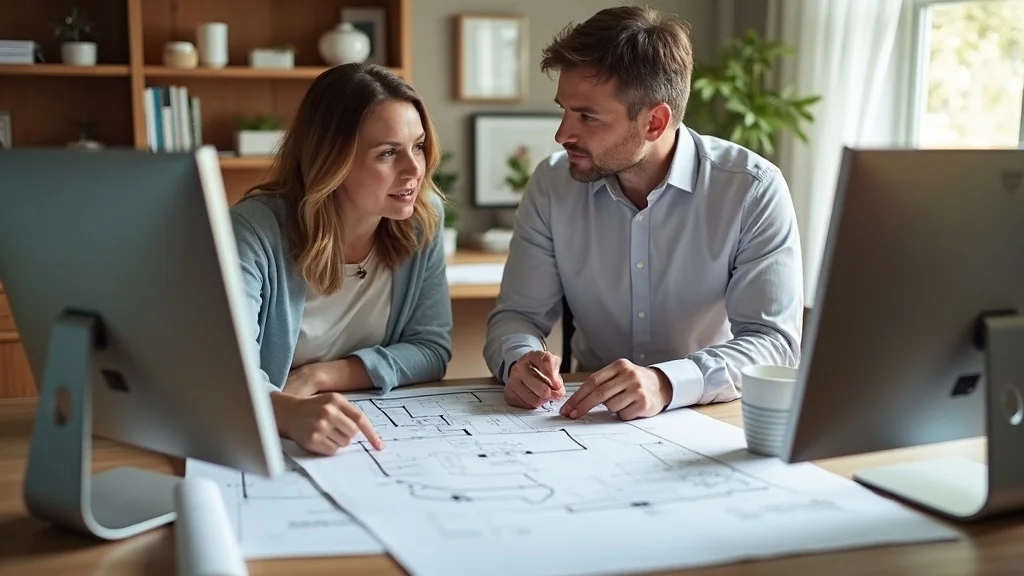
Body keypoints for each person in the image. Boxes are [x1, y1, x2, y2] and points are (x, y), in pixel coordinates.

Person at [484, 5, 803, 421]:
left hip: (710, 417)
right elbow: (517, 316)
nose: (562, 134)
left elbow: (772, 344)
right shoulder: (552, 185)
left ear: (655, 122)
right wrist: (520, 359)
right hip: (587, 419)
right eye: (564, 109)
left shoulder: (751, 189)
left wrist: (666, 382)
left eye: (587, 116)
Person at [231, 63, 453, 456]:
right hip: (274, 445)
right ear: (333, 160)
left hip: (376, 438)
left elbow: (430, 349)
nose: (414, 169)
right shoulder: (254, 230)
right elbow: (228, 373)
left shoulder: (422, 219)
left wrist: (319, 376)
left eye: (418, 145)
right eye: (388, 153)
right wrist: (284, 411)